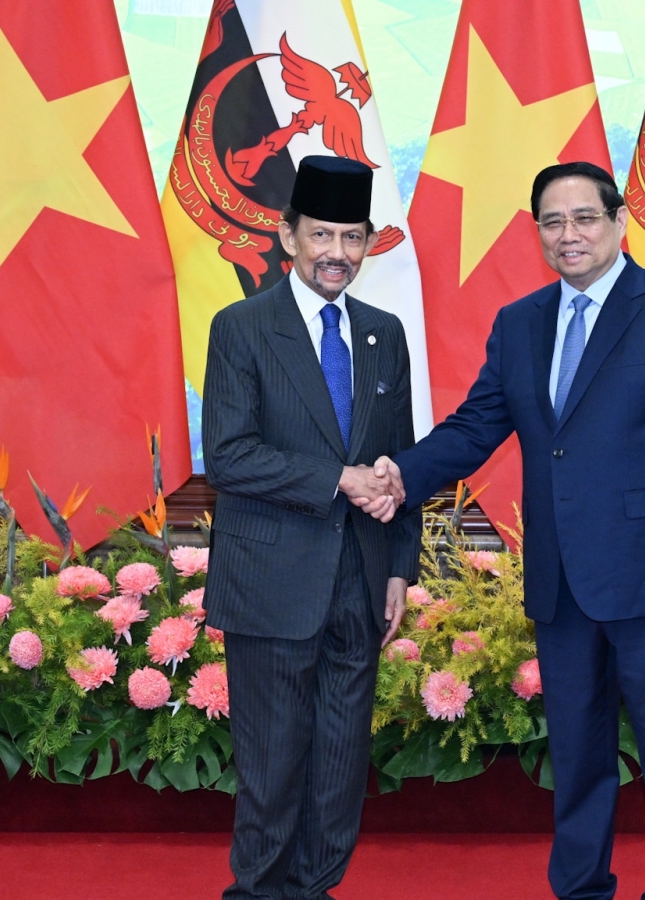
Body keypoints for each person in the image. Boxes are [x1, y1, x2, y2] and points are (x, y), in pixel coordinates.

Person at [361, 161, 645, 900]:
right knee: (577, 751)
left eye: (584, 218)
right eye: (553, 222)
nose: (569, 235)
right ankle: (581, 886)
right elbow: (476, 426)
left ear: (619, 221)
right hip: (561, 578)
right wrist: (401, 474)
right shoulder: (521, 322)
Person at [201, 154, 421, 900]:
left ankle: (314, 890)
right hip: (271, 582)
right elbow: (229, 456)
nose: (337, 253)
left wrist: (399, 568)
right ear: (288, 235)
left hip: (360, 582)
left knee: (339, 769)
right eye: (322, 235)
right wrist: (338, 479)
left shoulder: (384, 334)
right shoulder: (241, 327)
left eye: (352, 237)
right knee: (272, 769)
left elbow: (398, 462)